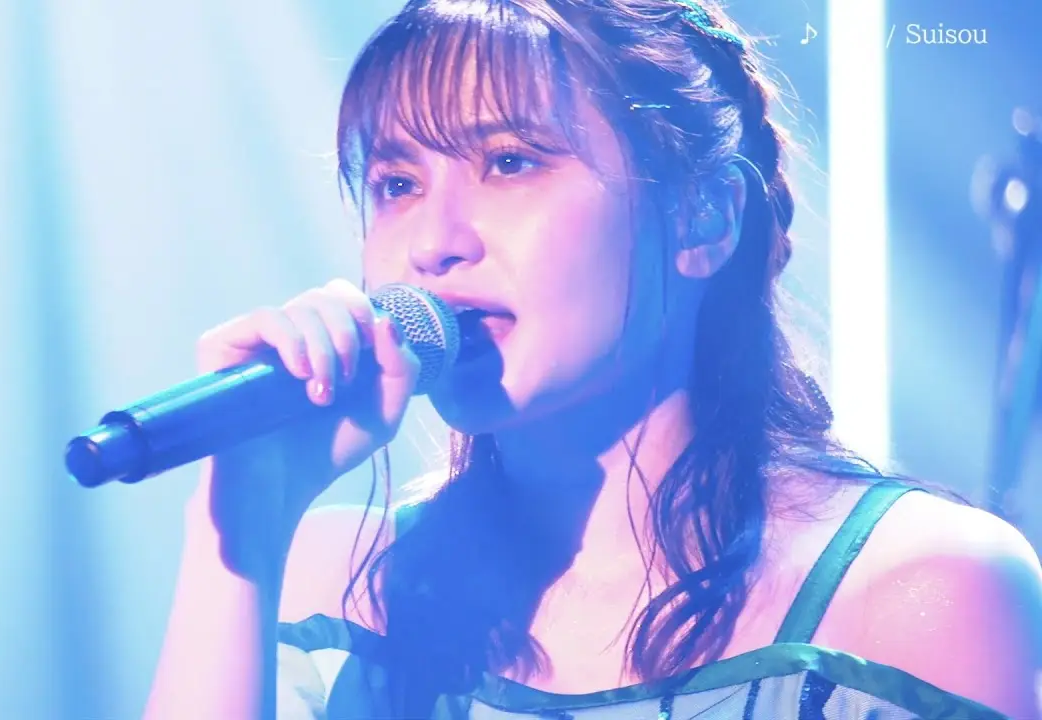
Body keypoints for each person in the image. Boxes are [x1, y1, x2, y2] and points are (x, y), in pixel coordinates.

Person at [145, 1, 1042, 717]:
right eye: (398, 184)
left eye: (509, 162)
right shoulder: (329, 586)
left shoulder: (920, 591)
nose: (432, 242)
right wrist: (239, 529)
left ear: (703, 217)